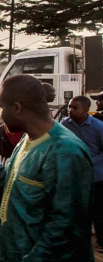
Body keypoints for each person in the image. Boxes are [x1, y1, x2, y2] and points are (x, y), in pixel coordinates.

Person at [0, 74, 94, 262]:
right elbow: (15, 184)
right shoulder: (28, 138)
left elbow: (66, 229)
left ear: (16, 108)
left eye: (1, 107)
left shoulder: (65, 151)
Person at [61, 96, 103, 253]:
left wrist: (87, 160)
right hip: (73, 177)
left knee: (98, 211)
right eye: (69, 107)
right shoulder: (64, 125)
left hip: (96, 177)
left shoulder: (98, 127)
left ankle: (101, 241)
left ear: (86, 110)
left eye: (75, 108)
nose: (70, 110)